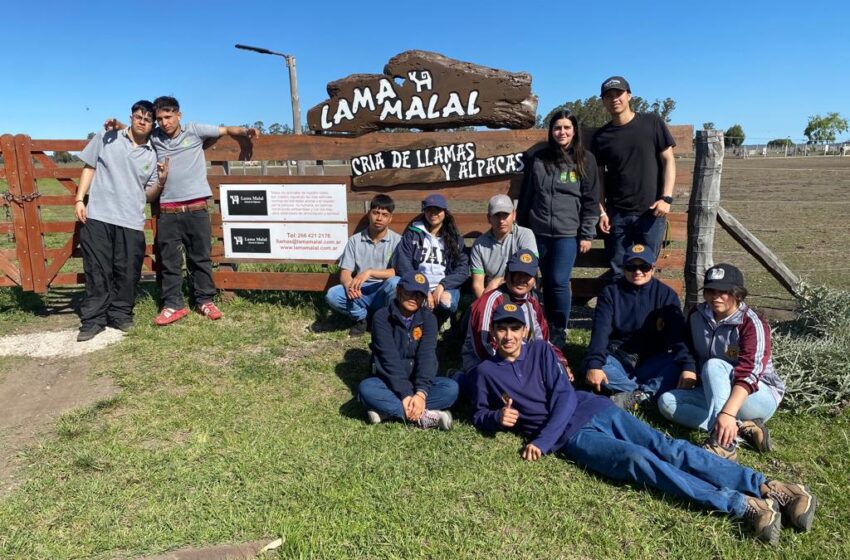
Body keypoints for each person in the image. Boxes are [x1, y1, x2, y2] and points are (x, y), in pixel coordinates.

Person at [471, 303, 817, 545]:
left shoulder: (542, 351)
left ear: (525, 329)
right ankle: (743, 505)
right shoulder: (487, 372)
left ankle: (771, 488)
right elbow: (478, 414)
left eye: (514, 328)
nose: (508, 335)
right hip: (574, 438)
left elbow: (563, 396)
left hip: (592, 408)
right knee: (639, 461)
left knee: (666, 447)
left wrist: (542, 441)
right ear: (494, 334)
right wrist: (496, 418)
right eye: (501, 328)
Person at [107, 97, 261, 325]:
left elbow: (226, 129)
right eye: (159, 119)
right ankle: (173, 304)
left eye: (168, 117)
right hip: (168, 210)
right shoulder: (155, 136)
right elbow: (136, 130)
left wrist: (245, 132)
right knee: (169, 260)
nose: (164, 122)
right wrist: (118, 125)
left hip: (197, 208)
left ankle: (204, 300)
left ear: (179, 115)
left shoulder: (194, 130)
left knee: (200, 258)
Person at [658, 264, 786, 462]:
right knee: (666, 402)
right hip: (715, 392)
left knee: (713, 365)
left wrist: (727, 412)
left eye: (724, 291)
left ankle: (722, 443)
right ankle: (743, 429)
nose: (716, 297)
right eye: (710, 291)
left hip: (757, 395)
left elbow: (749, 374)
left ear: (738, 294)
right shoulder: (697, 315)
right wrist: (689, 369)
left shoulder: (751, 323)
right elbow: (688, 348)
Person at [74, 100, 168, 342]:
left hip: (131, 219)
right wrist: (79, 199)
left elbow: (149, 195)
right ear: (132, 116)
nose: (142, 121)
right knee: (97, 270)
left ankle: (120, 314)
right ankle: (93, 319)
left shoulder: (152, 153)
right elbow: (89, 165)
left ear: (152, 125)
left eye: (148, 120)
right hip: (99, 215)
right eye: (139, 116)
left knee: (128, 271)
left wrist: (161, 180)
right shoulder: (108, 135)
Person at [517, 110, 600, 347]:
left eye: (566, 127)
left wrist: (586, 233)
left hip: (567, 233)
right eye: (557, 128)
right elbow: (527, 195)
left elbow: (591, 199)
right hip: (538, 231)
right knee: (539, 279)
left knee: (558, 280)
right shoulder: (539, 158)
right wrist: (523, 231)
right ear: (550, 131)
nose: (561, 132)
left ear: (574, 131)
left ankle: (559, 328)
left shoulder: (585, 159)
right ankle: (542, 324)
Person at [583, 244, 694, 410]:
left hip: (652, 359)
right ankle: (644, 394)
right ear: (623, 268)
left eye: (644, 266)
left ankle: (631, 393)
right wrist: (594, 365)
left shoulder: (666, 295)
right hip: (618, 357)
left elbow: (677, 335)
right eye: (631, 267)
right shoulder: (610, 293)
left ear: (653, 268)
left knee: (679, 365)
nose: (637, 272)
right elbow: (600, 332)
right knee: (593, 364)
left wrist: (688, 367)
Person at [591, 76, 676, 275]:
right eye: (608, 96)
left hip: (651, 213)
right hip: (617, 215)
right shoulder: (601, 137)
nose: (614, 99)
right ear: (603, 101)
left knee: (645, 270)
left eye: (619, 94)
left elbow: (669, 160)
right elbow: (598, 178)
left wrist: (666, 198)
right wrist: (602, 211)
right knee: (618, 270)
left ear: (629, 96)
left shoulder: (652, 123)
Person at [357, 270, 458, 429]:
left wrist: (421, 393)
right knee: (366, 389)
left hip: (416, 381)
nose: (413, 298)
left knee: (450, 389)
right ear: (399, 291)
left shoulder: (429, 319)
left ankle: (388, 412)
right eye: (409, 292)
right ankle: (426, 416)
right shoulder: (382, 317)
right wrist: (405, 395)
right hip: (388, 382)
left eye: (419, 295)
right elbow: (388, 359)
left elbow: (427, 357)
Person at [461, 249, 571, 377]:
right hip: (487, 366)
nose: (521, 279)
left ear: (534, 279)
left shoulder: (533, 304)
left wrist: (559, 361)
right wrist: (519, 370)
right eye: (516, 274)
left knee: (559, 374)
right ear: (507, 275)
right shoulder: (489, 302)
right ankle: (462, 381)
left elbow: (543, 343)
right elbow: (483, 348)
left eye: (527, 275)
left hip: (523, 365)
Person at [325, 195, 401, 336]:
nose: (379, 218)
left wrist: (370, 272)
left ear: (390, 218)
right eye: (375, 213)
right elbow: (345, 272)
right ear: (369, 214)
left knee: (396, 283)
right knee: (333, 294)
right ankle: (361, 318)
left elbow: (397, 272)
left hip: (383, 291)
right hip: (360, 291)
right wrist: (349, 286)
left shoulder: (397, 241)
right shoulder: (355, 240)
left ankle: (386, 319)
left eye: (384, 215)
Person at [391, 193, 469, 326]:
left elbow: (462, 268)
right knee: (396, 287)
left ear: (444, 212)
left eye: (437, 210)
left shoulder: (454, 237)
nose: (433, 214)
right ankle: (409, 318)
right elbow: (403, 263)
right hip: (418, 283)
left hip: (444, 286)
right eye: (429, 210)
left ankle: (442, 319)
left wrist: (443, 285)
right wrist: (422, 288)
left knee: (446, 303)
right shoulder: (413, 233)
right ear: (424, 212)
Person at [469, 194, 537, 299]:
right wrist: (484, 304)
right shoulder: (479, 245)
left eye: (505, 214)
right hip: (492, 294)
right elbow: (477, 285)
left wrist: (499, 280)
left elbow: (526, 273)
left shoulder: (526, 235)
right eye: (496, 215)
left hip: (522, 290)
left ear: (514, 215)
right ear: (488, 218)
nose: (501, 220)